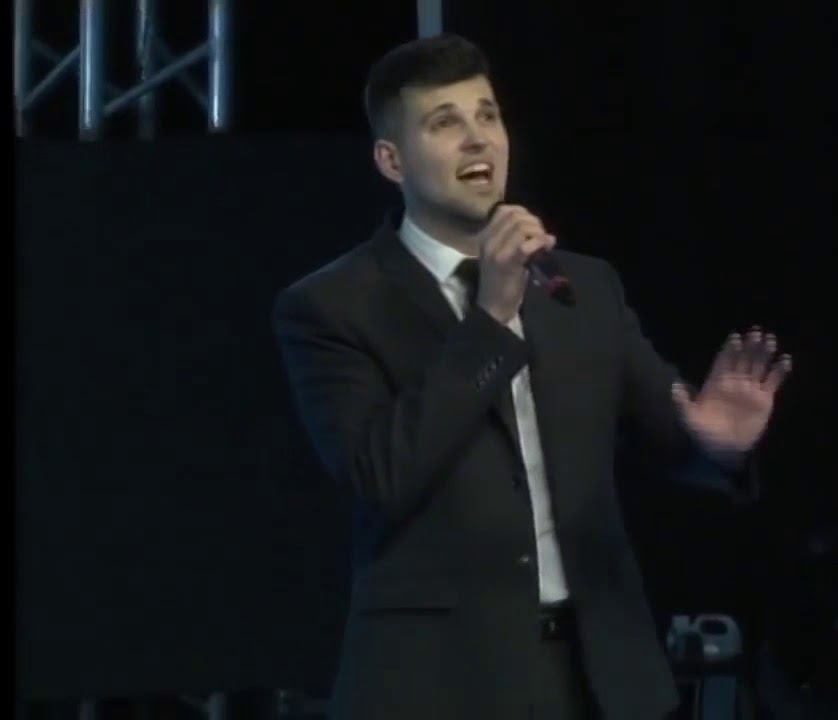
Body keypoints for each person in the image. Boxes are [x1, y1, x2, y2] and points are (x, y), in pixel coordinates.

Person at [272, 33, 791, 720]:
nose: (478, 139)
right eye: (445, 123)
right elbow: (380, 476)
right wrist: (490, 318)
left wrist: (715, 446)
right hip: (438, 684)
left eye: (487, 115)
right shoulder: (333, 305)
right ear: (392, 160)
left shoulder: (584, 287)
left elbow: (667, 440)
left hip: (600, 676)